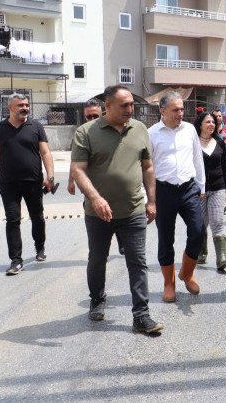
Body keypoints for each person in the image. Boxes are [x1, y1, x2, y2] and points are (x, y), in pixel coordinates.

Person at [70, 85, 163, 333]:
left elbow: (148, 168)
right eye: (124, 105)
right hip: (98, 213)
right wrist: (96, 198)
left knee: (138, 261)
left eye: (132, 104)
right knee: (97, 259)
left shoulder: (140, 129)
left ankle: (141, 315)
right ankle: (97, 299)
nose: (130, 109)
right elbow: (78, 170)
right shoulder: (86, 132)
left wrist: (151, 201)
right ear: (107, 106)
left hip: (133, 210)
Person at [148, 91, 206, 302]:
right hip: (163, 191)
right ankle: (169, 283)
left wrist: (201, 186)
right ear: (163, 111)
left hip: (189, 188)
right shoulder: (152, 133)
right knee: (166, 239)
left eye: (182, 109)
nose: (180, 113)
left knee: (199, 230)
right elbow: (147, 168)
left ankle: (187, 273)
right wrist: (150, 198)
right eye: (176, 110)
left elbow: (197, 159)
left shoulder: (190, 130)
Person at [0, 93, 55, 275]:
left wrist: (50, 177)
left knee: (37, 217)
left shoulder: (35, 126)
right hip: (8, 183)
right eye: (21, 105)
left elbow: (46, 153)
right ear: (10, 107)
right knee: (12, 220)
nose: (25, 108)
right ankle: (16, 260)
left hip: (33, 181)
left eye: (26, 105)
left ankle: (40, 247)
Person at [68, 101, 126, 256]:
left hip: (112, 183)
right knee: (95, 215)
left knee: (117, 212)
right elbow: (75, 162)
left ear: (102, 113)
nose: (92, 119)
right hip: (91, 186)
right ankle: (99, 249)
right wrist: (70, 181)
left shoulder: (113, 131)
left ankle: (121, 240)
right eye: (89, 116)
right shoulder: (82, 134)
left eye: (95, 115)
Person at [193, 112, 226, 270]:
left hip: (218, 188)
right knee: (202, 224)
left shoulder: (219, 142)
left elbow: (224, 168)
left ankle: (221, 259)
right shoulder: (193, 143)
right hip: (199, 190)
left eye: (213, 122)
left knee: (217, 223)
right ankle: (202, 253)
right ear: (200, 124)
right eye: (208, 122)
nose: (212, 124)